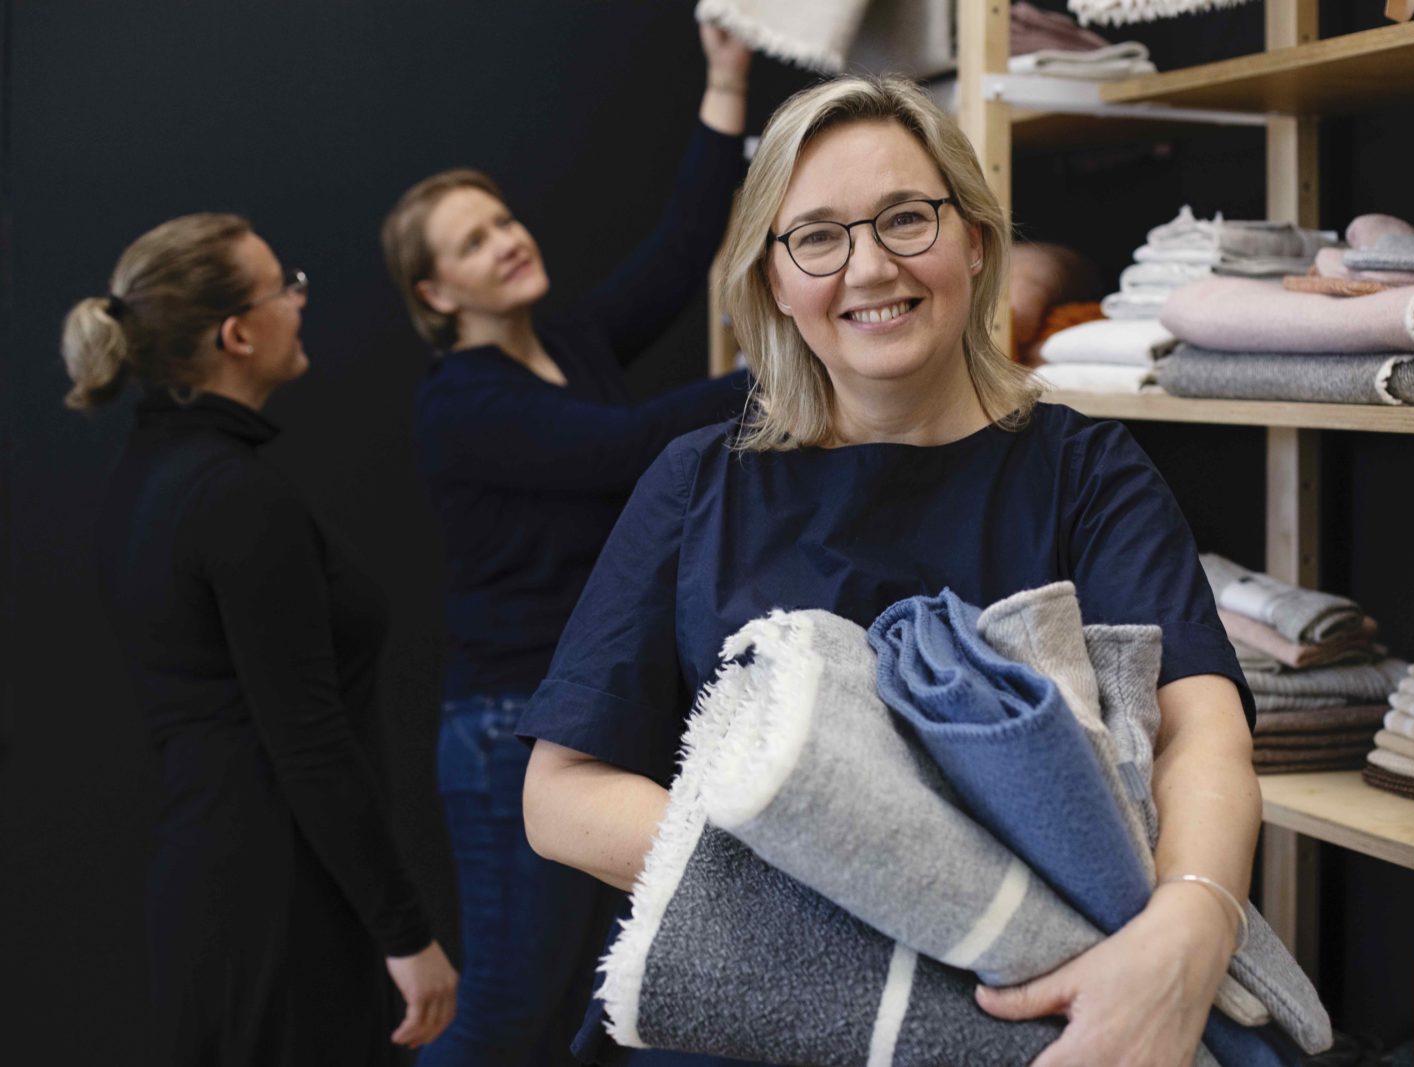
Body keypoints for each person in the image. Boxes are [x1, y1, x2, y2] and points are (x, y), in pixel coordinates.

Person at [517, 74, 1263, 1067]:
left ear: (975, 241)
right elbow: (560, 795)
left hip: (1023, 1013)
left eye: (905, 219)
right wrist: (881, 874)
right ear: (773, 282)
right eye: (817, 236)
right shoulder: (699, 483)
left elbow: (1202, 731)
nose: (868, 266)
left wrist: (1193, 922)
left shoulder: (1082, 471)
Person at [380, 23, 753, 1067]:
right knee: (508, 1011)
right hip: (509, 732)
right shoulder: (462, 403)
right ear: (437, 294)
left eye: (501, 217)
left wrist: (724, 78)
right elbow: (629, 445)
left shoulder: (570, 344)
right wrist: (805, 359)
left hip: (583, 711)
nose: (506, 238)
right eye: (471, 242)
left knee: (612, 1000)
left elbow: (684, 252)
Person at [62, 213, 457, 1065]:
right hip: (282, 903)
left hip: (208, 889)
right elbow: (306, 741)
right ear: (236, 333)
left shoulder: (144, 481)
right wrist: (406, 933)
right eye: (287, 287)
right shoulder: (236, 498)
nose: (301, 301)